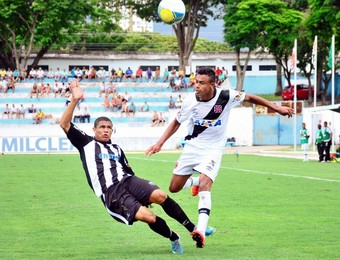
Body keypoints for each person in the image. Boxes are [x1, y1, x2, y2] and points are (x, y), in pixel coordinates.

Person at [145, 67, 294, 248]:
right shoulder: (190, 101)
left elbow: (251, 97)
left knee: (206, 183)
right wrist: (159, 143)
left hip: (213, 149)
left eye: (201, 83)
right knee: (174, 188)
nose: (196, 86)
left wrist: (276, 107)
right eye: (195, 82)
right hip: (192, 147)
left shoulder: (226, 96)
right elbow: (176, 122)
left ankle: (200, 230)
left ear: (212, 84)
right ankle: (195, 183)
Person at [59, 80, 202, 254]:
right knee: (149, 217)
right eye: (102, 127)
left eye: (109, 127)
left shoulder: (116, 149)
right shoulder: (85, 143)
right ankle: (174, 237)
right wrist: (75, 100)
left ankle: (193, 228)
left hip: (128, 181)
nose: (106, 130)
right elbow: (65, 124)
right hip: (112, 193)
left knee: (160, 195)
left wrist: (143, 195)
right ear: (94, 129)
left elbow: (128, 171)